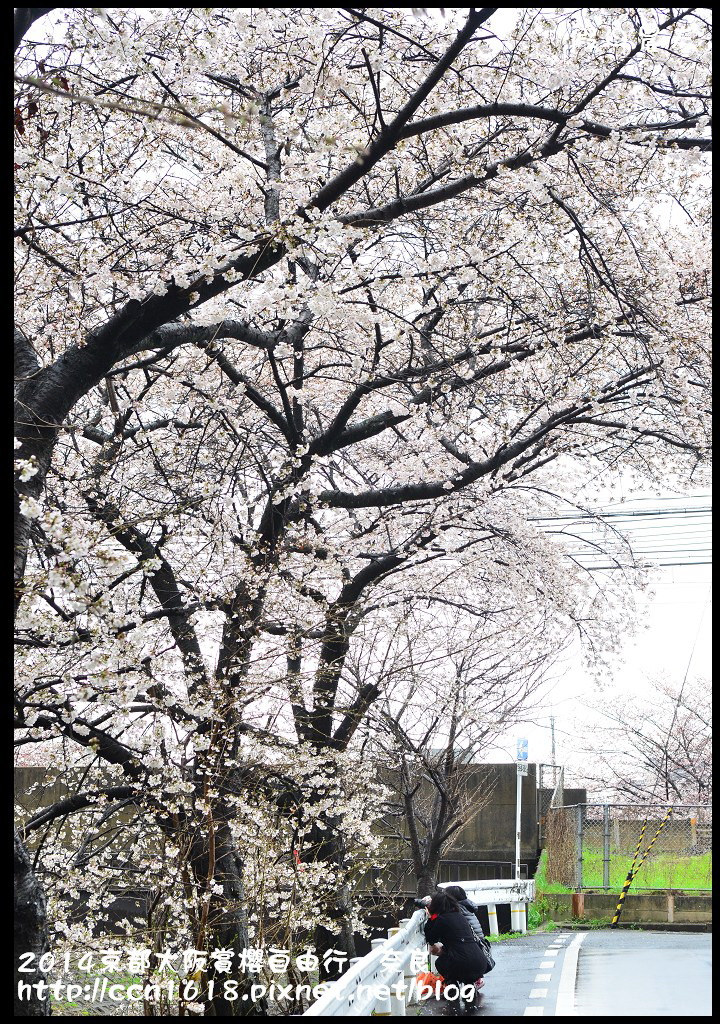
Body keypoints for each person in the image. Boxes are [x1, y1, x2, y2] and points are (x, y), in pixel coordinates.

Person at [423, 891, 486, 1016]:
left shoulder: (442, 919)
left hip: (463, 964)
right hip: (479, 963)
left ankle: (452, 987)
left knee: (441, 962)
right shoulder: (459, 916)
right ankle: (469, 988)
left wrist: (431, 918)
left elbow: (431, 938)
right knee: (462, 964)